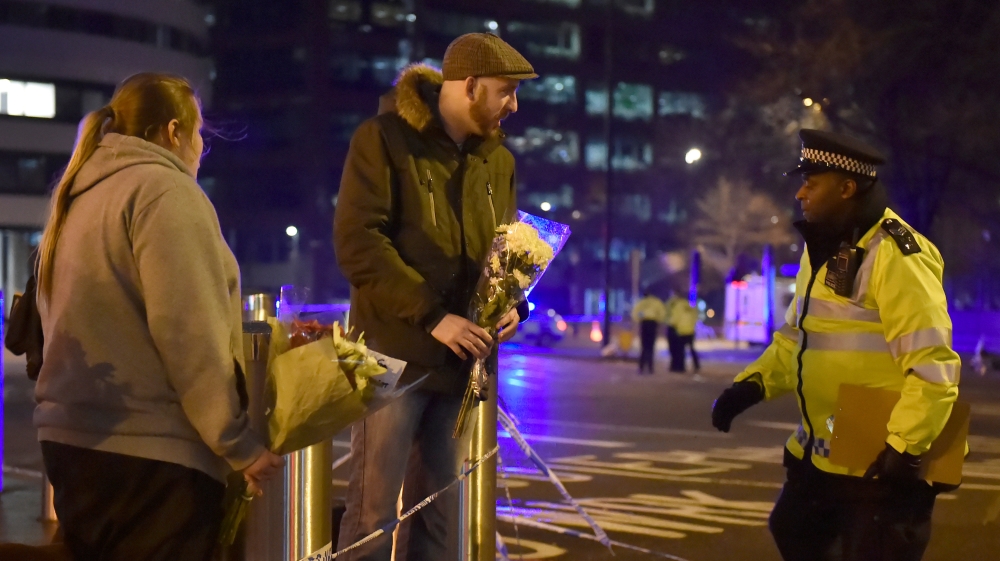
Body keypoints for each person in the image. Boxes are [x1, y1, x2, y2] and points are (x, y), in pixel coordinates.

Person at [32, 73, 284, 561]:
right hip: (152, 459)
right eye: (199, 135)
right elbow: (189, 332)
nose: (198, 148)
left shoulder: (78, 195)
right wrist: (236, 443)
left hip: (73, 448)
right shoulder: (164, 191)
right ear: (173, 132)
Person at [711, 129, 960, 561]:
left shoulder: (897, 255)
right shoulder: (822, 249)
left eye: (812, 181)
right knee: (791, 529)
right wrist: (752, 385)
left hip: (878, 463)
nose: (799, 192)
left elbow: (932, 364)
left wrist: (906, 447)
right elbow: (799, 339)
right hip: (823, 454)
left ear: (846, 188)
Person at [333, 33, 536, 561]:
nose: (513, 105)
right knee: (373, 514)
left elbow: (504, 251)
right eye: (505, 91)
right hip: (391, 354)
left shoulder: (499, 161)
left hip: (461, 362)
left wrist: (515, 306)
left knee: (439, 513)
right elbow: (359, 244)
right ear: (468, 86)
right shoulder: (383, 139)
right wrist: (432, 315)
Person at [631, 290, 666, 374]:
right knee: (651, 346)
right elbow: (662, 313)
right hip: (653, 323)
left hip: (644, 323)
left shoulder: (641, 302)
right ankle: (650, 367)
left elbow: (635, 313)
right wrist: (658, 320)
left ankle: (641, 367)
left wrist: (640, 318)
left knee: (644, 346)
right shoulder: (656, 302)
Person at [666, 294, 700, 374]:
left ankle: (681, 367)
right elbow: (695, 317)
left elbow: (675, 319)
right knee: (692, 349)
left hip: (681, 331)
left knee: (681, 350)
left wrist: (671, 325)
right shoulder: (689, 306)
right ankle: (696, 365)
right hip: (690, 330)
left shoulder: (677, 306)